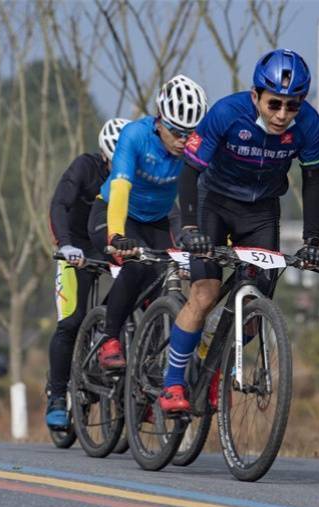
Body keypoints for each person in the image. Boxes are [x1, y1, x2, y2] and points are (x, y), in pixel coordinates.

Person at [160, 48, 319, 413]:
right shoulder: (226, 113)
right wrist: (189, 227)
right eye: (274, 104)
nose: (283, 115)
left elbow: (313, 181)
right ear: (255, 96)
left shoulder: (310, 125)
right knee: (205, 294)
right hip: (213, 203)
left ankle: (216, 359)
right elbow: (189, 171)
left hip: (261, 211)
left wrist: (312, 241)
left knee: (254, 303)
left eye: (293, 106)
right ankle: (172, 384)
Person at [89, 75, 207, 370]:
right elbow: (120, 187)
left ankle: (147, 367)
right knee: (136, 265)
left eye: (189, 133)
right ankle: (108, 338)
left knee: (164, 282)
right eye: (177, 132)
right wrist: (116, 235)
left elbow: (208, 191)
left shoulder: (195, 146)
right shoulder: (135, 136)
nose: (183, 141)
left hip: (157, 220)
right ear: (159, 120)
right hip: (116, 213)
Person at [45, 117, 130, 430]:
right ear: (105, 156)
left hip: (110, 248)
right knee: (71, 320)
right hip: (77, 248)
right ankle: (56, 395)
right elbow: (59, 204)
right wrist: (66, 244)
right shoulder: (85, 167)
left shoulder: (137, 175)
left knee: (129, 304)